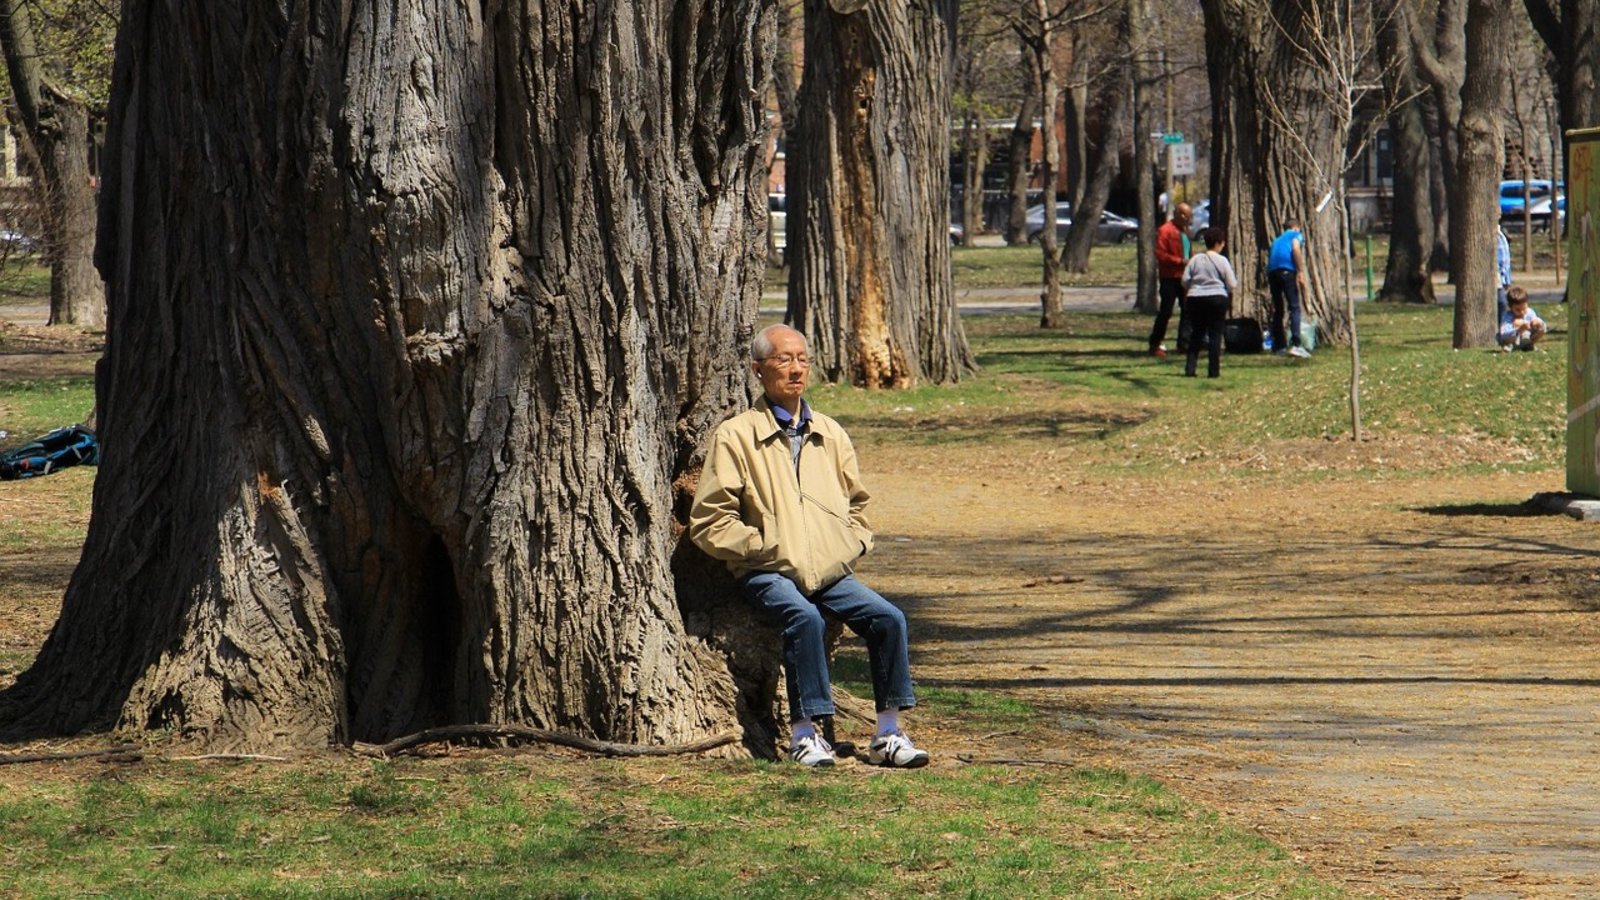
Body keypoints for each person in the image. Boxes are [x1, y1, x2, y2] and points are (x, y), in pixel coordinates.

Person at [689, 324, 929, 769]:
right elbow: (709, 521)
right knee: (804, 618)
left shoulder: (832, 433)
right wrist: (763, 545)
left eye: (802, 359)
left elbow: (859, 503)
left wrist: (849, 542)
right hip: (766, 570)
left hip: (829, 570)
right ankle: (804, 735)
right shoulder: (736, 435)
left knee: (888, 619)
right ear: (758, 370)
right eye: (783, 360)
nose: (796, 369)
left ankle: (888, 734)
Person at [1179, 227, 1238, 378]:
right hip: (1217, 298)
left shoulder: (1195, 259)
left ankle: (1190, 368)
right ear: (1218, 243)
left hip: (1195, 298)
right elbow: (1232, 283)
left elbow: (1184, 280)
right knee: (1215, 334)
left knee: (1196, 333)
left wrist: (1195, 285)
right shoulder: (1222, 260)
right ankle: (1213, 371)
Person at [1148, 202, 1192, 358]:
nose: (1189, 219)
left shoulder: (1186, 231)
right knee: (1166, 311)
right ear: (1179, 214)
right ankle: (1155, 343)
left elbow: (1188, 251)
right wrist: (1179, 261)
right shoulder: (1165, 231)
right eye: (1186, 215)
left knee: (1188, 310)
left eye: (1189, 215)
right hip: (1169, 277)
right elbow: (1160, 254)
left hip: (1184, 277)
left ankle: (1184, 343)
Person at [1268, 221, 1311, 359]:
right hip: (1287, 270)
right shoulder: (1296, 235)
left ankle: (1279, 345)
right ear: (1295, 227)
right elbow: (1296, 249)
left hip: (1272, 272)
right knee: (1294, 307)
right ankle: (1296, 344)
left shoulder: (1277, 239)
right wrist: (1300, 270)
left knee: (1278, 309)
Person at [1498, 284, 1546, 351]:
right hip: (1513, 340)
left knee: (1541, 328)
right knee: (1506, 337)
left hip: (1527, 337)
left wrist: (1538, 323)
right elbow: (1504, 334)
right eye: (1518, 310)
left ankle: (1529, 345)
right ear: (1511, 307)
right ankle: (1510, 346)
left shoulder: (1530, 312)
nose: (1522, 312)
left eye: (1524, 308)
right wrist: (1519, 329)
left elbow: (1539, 324)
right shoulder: (1507, 316)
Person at [1496, 226, 1512, 318]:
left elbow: (1505, 261)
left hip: (1501, 279)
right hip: (1495, 277)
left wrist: (1507, 279)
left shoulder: (1500, 234)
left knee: (1502, 304)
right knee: (1501, 302)